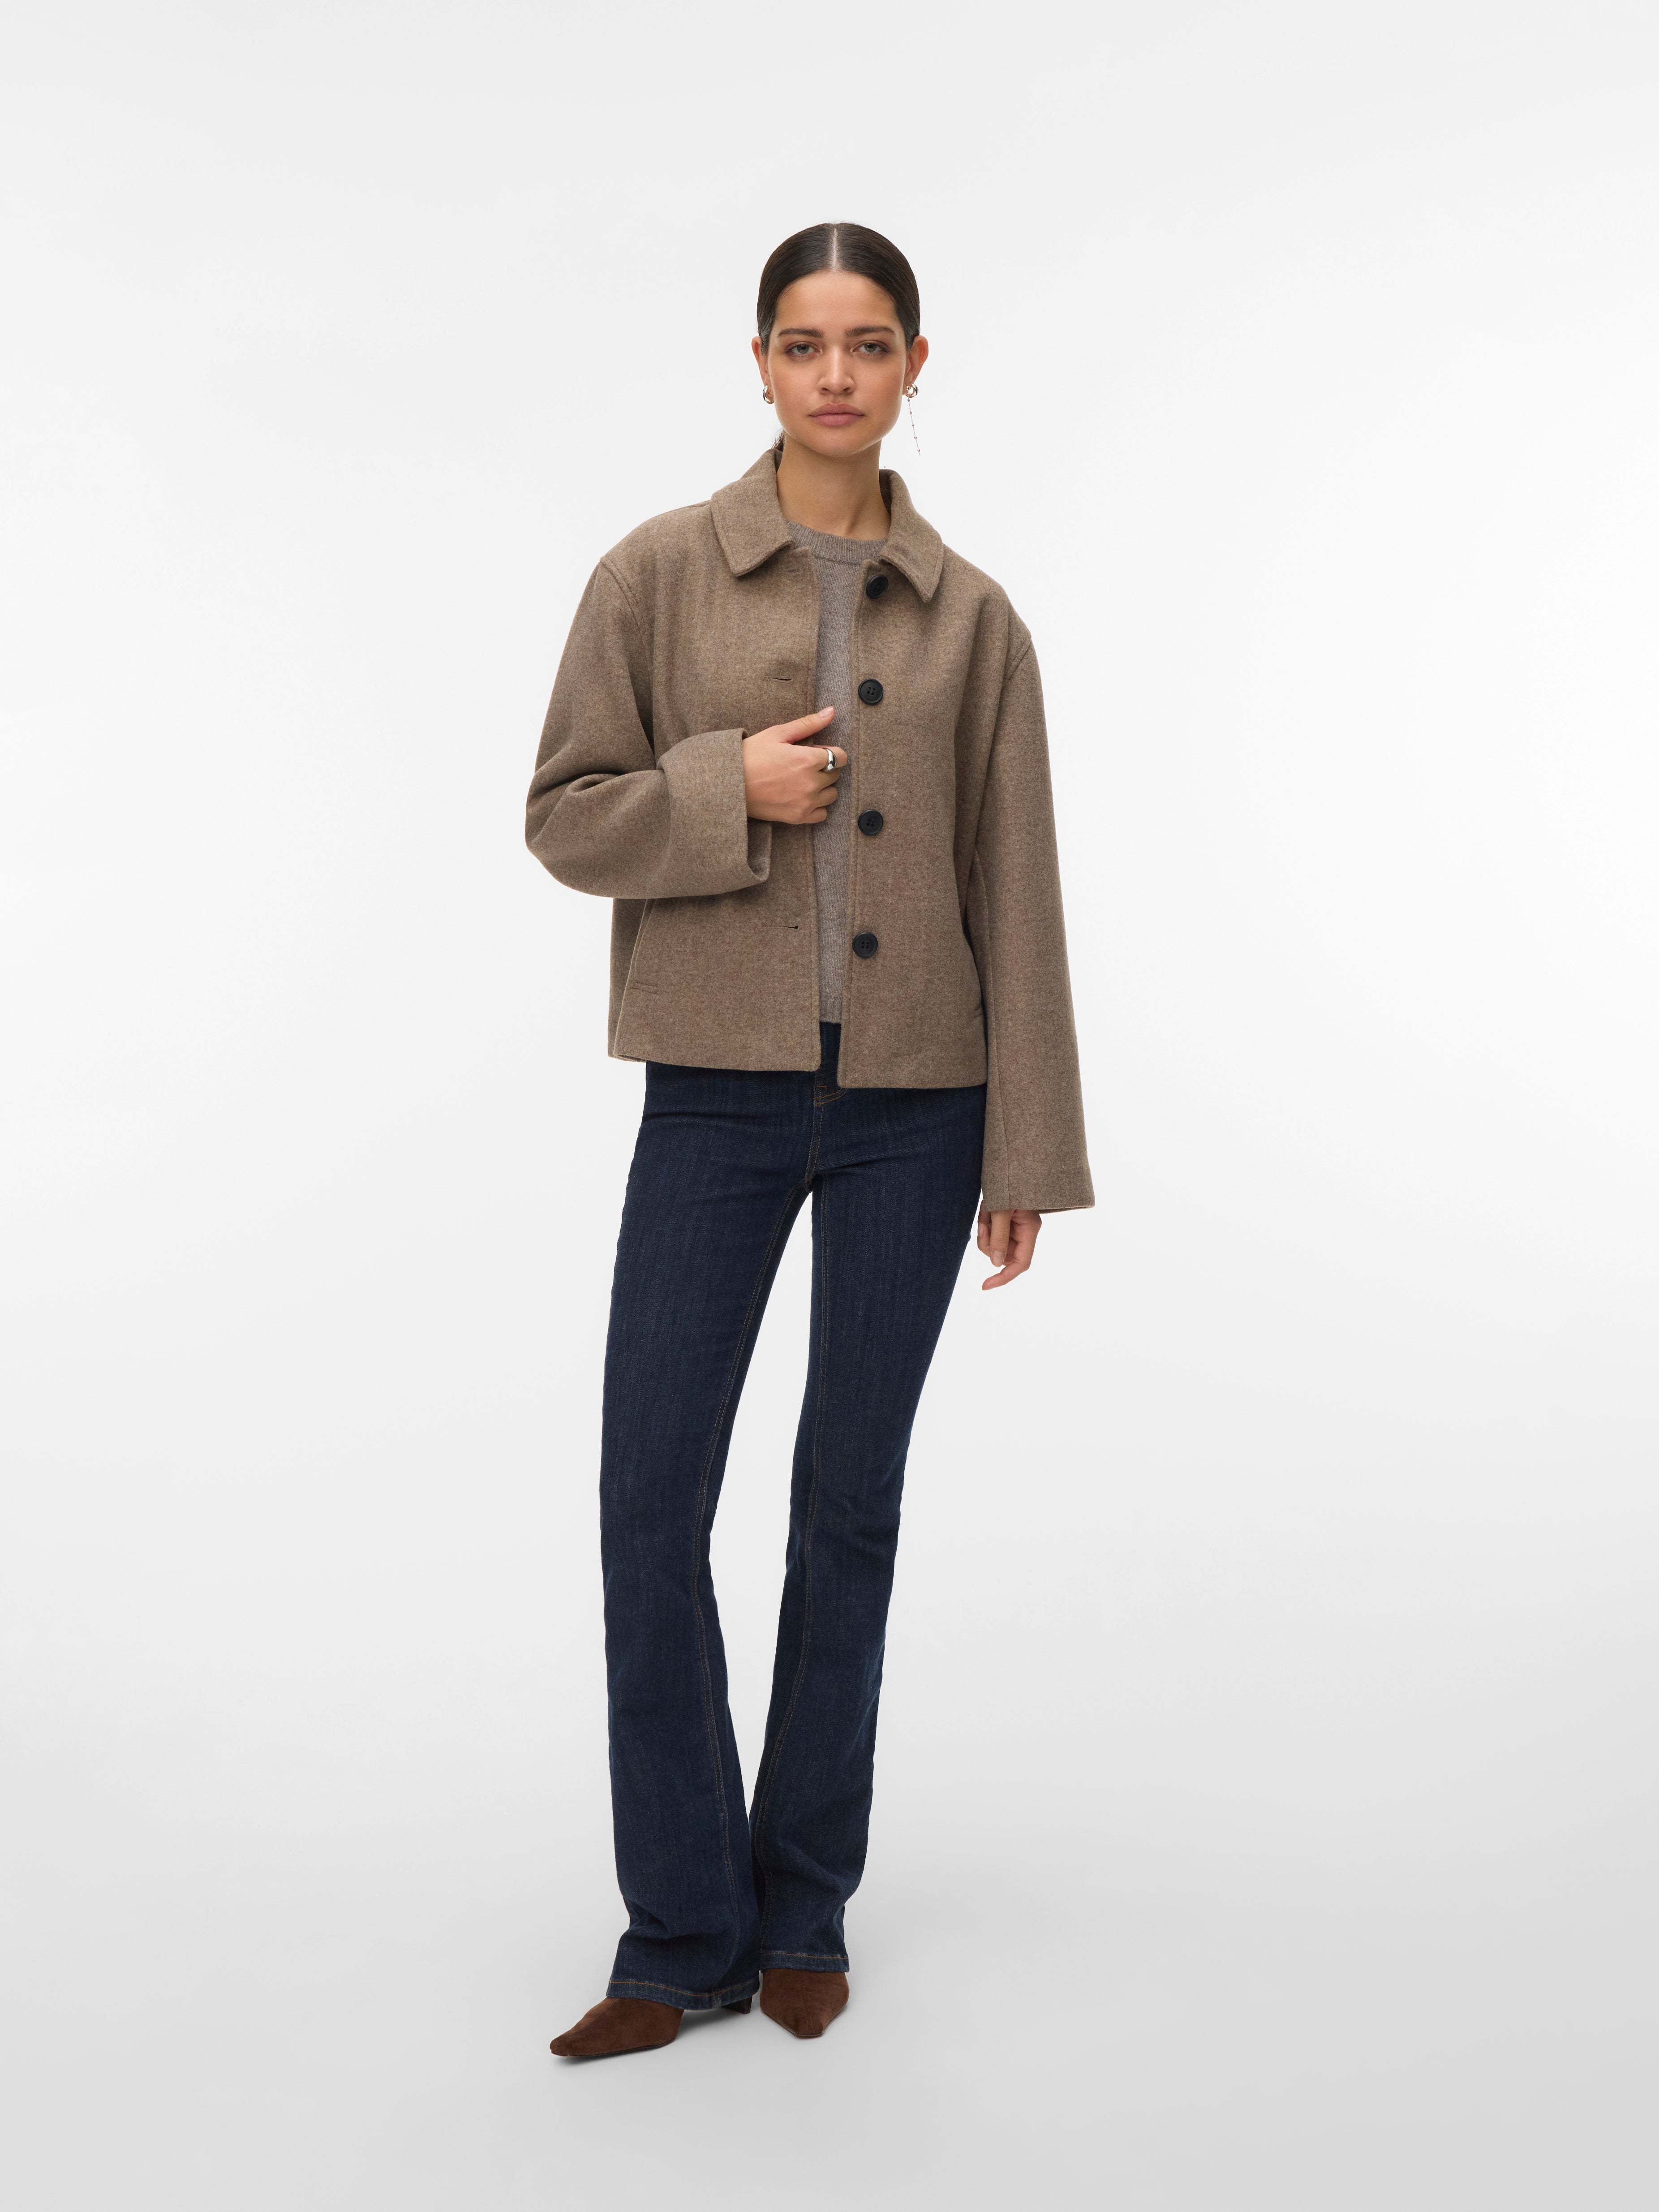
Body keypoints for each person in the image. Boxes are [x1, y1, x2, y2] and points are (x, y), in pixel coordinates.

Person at [528, 222, 1092, 2060]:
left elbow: (1017, 888)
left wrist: (1026, 1142)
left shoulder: (975, 617)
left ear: (917, 364)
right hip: (713, 1087)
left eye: (867, 342)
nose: (835, 373)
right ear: (759, 362)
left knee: (848, 1507)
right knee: (648, 1501)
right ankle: (678, 1927)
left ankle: (802, 1908)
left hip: (922, 1108)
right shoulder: (654, 573)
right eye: (801, 341)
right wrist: (729, 786)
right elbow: (563, 814)